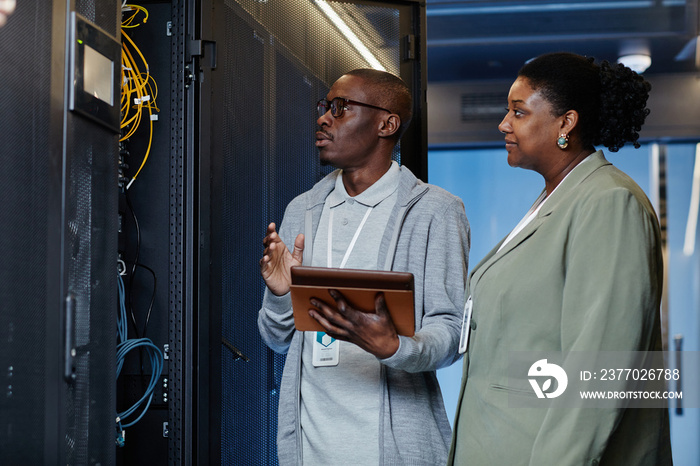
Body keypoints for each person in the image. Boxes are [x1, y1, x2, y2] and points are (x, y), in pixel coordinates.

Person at [448, 52, 672, 465]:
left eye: (518, 112)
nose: (503, 124)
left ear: (566, 123)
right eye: (506, 112)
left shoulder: (609, 203)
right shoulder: (556, 200)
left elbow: (601, 369)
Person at [258, 68, 470, 465]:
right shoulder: (302, 209)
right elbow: (276, 339)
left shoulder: (435, 211)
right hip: (311, 451)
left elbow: (451, 332)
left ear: (386, 123)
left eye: (340, 108)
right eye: (325, 107)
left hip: (395, 452)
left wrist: (395, 348)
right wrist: (279, 295)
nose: (323, 118)